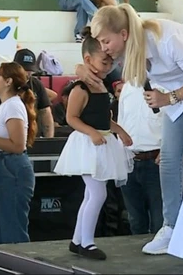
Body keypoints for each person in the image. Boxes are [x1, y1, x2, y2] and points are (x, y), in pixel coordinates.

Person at [89, 3, 183, 255]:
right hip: (180, 94)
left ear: (123, 34)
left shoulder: (167, 39)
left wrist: (168, 99)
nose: (104, 48)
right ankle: (172, 227)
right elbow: (93, 65)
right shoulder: (127, 49)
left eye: (105, 41)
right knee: (169, 158)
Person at [53, 26, 133, 260]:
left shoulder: (102, 85)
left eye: (110, 63)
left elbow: (103, 116)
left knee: (93, 194)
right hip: (88, 145)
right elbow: (71, 118)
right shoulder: (80, 87)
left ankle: (78, 240)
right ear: (88, 59)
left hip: (102, 142)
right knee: (97, 194)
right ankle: (86, 242)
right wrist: (91, 133)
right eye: (104, 62)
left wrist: (119, 131)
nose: (108, 67)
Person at [0, 62, 37, 244]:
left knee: (11, 230)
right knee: (0, 229)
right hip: (1, 165)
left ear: (8, 81)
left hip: (11, 167)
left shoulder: (13, 106)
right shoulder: (6, 106)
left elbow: (18, 145)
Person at [118, 82, 163, 235]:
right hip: (129, 159)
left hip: (157, 160)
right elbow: (121, 120)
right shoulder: (127, 87)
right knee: (135, 220)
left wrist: (170, 150)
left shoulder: (165, 84)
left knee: (160, 221)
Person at [0, 49, 54, 138]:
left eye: (30, 70)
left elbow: (45, 113)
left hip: (29, 139)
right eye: (23, 69)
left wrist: (48, 140)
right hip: (1, 138)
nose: (26, 73)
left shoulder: (36, 85)